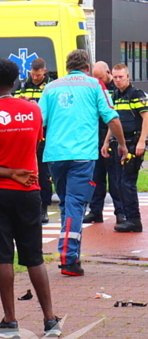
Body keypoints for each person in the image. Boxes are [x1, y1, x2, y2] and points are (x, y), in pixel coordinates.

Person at [0, 58, 62, 339]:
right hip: (29, 191)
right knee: (34, 257)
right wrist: (19, 172)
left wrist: (8, 173)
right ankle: (50, 320)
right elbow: (32, 146)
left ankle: (10, 321)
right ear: (16, 81)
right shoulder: (33, 111)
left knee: (3, 256)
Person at [40, 49, 126, 277]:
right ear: (87, 67)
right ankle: (68, 259)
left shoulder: (51, 88)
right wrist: (122, 144)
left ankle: (71, 254)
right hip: (82, 155)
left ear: (68, 67)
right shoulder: (95, 86)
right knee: (76, 204)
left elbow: (40, 122)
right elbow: (112, 118)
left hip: (55, 155)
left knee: (67, 203)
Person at [106, 63, 148, 233]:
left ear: (128, 77)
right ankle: (128, 218)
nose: (118, 80)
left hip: (133, 143)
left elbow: (146, 118)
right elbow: (113, 121)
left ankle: (134, 220)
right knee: (118, 182)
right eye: (115, 77)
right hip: (120, 144)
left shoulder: (136, 94)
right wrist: (106, 141)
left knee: (127, 182)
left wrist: (142, 141)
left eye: (121, 77)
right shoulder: (114, 95)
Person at [85, 61, 125, 224]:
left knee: (116, 179)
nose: (98, 81)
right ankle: (95, 211)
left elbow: (115, 118)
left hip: (112, 137)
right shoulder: (94, 88)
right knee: (96, 177)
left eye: (100, 78)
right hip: (96, 137)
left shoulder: (118, 90)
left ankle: (120, 213)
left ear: (108, 73)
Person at [16, 58, 55, 224]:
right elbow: (15, 104)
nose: (36, 77)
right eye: (34, 74)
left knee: (43, 172)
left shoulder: (51, 86)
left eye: (39, 75)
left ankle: (43, 207)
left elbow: (53, 109)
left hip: (45, 134)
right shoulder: (23, 85)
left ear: (44, 71)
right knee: (26, 169)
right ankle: (28, 207)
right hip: (26, 134)